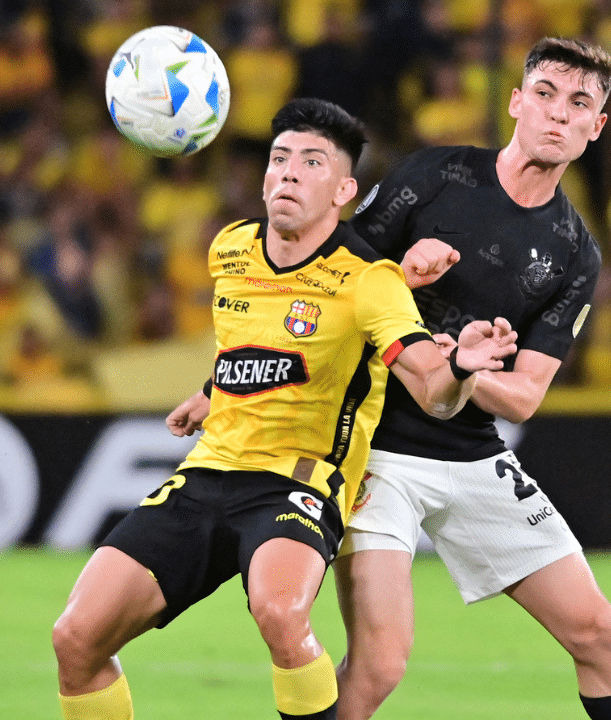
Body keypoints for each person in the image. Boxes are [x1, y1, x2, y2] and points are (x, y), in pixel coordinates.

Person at [51, 98, 518, 720]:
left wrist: (459, 364)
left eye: (312, 161)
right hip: (207, 471)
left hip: (297, 481)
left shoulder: (369, 280)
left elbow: (432, 388)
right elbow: (254, 348)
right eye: (279, 159)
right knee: (76, 639)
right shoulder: (232, 250)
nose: (290, 173)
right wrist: (214, 391)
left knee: (279, 610)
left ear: (344, 190)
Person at [337, 38, 611, 720]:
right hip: (376, 446)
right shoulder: (434, 176)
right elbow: (329, 278)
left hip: (469, 451)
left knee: (599, 635)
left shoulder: (576, 254)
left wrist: (460, 368)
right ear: (516, 102)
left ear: (596, 127)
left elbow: (523, 395)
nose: (557, 115)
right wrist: (400, 284)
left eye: (579, 104)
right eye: (544, 94)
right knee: (380, 664)